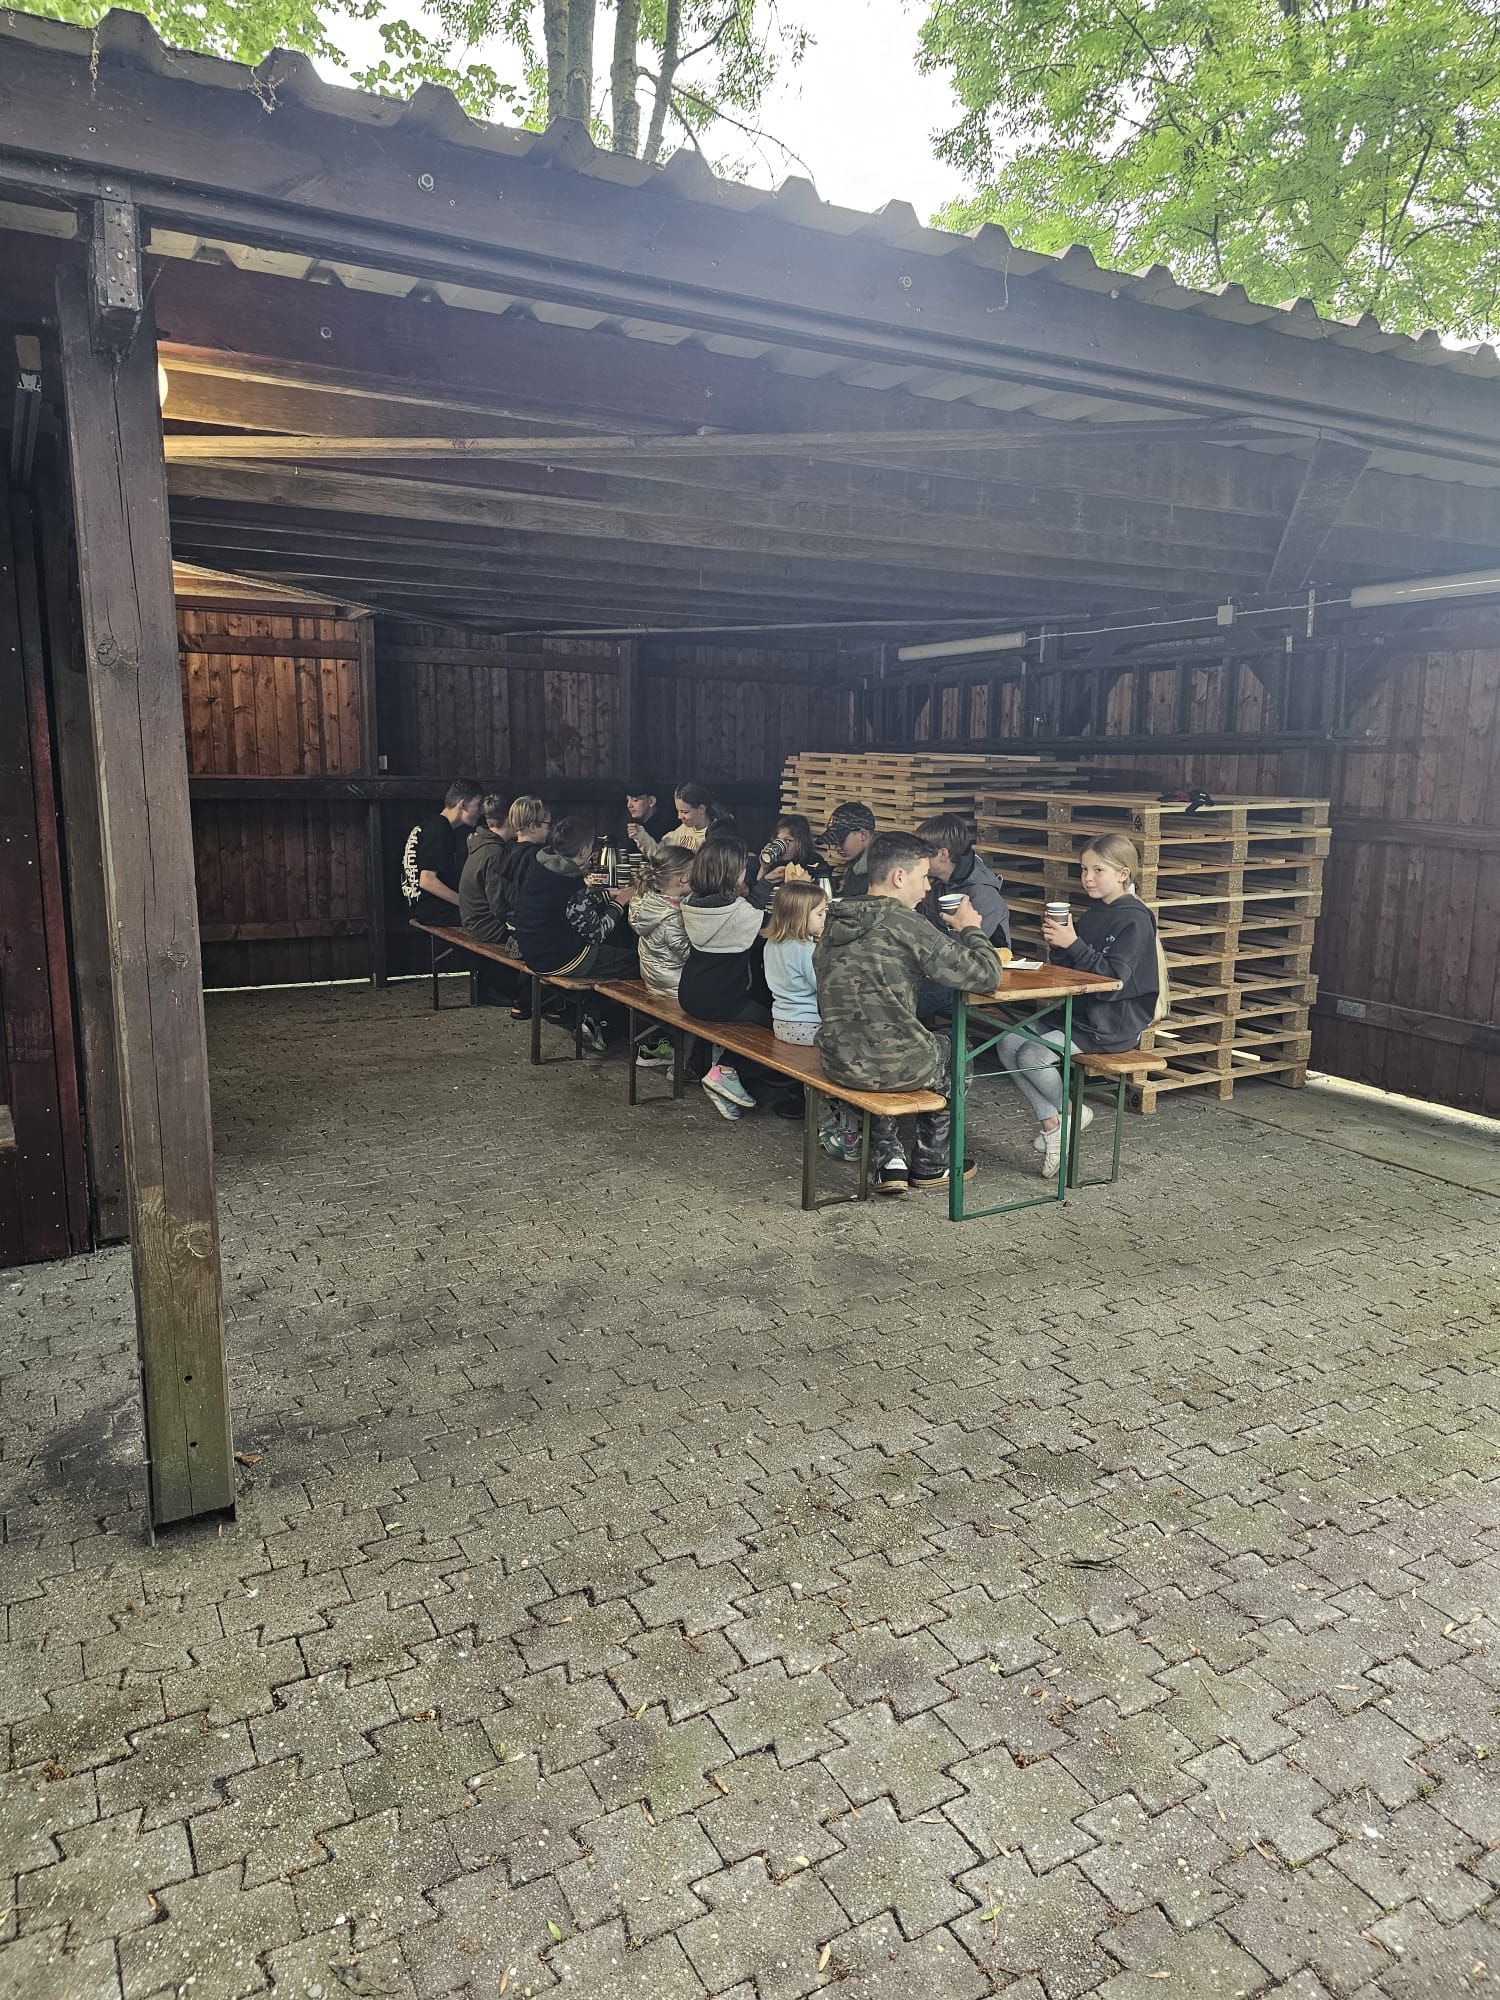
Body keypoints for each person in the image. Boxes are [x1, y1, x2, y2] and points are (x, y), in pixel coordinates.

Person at [816, 831, 1002, 1195]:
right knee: (956, 1049)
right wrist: (971, 928)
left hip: (837, 1059)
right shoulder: (906, 924)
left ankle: (889, 1159)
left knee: (884, 1040)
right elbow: (987, 975)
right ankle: (932, 1162)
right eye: (924, 877)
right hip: (891, 1065)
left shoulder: (835, 919)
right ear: (899, 877)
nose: (928, 887)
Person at [998, 832, 1164, 1180]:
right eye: (1084, 870)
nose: (1087, 878)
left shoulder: (1135, 919)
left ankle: (1071, 1114)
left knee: (1032, 1055)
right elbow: (1072, 969)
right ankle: (1054, 1124)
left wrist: (1072, 942)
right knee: (1007, 1042)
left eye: (1097, 870)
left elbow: (1114, 978)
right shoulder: (1094, 914)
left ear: (1123, 874)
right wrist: (1059, 945)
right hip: (1081, 1011)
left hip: (1112, 1021)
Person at [512, 817, 638, 1036]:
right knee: (638, 964)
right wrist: (620, 901)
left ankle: (590, 1017)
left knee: (614, 948)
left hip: (531, 950)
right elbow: (597, 934)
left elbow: (572, 906)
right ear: (585, 850)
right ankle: (601, 1023)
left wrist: (607, 895)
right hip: (560, 959)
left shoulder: (543, 863)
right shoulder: (569, 883)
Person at [680, 832, 771, 1120]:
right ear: (733, 873)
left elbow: (744, 911)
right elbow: (768, 924)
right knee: (776, 1026)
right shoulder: (737, 911)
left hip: (690, 993)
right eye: (743, 866)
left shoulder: (694, 902)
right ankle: (726, 1070)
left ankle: (726, 1086)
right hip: (723, 1001)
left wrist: (765, 881)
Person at [763, 880, 856, 1155]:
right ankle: (836, 1123)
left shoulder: (772, 944)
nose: (825, 918)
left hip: (782, 1022)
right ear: (800, 916)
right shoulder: (806, 951)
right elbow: (825, 988)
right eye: (820, 913)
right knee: (849, 1046)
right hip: (808, 1026)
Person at [628, 843, 694, 1067]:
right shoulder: (671, 917)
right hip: (673, 984)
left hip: (653, 976)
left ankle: (659, 1048)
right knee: (711, 994)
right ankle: (687, 1064)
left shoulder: (646, 901)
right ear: (683, 879)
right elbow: (687, 955)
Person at [457, 793, 525, 1008]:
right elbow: (499, 904)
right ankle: (501, 989)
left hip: (472, 918)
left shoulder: (481, 841)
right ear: (511, 819)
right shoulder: (495, 852)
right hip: (485, 925)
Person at [916, 814, 1010, 945]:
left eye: (922, 853)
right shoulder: (937, 883)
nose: (917, 858)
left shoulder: (982, 894)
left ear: (943, 855)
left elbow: (964, 948)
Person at [401, 779, 483, 927]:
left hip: (420, 907)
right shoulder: (439, 829)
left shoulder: (430, 825)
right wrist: (466, 903)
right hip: (433, 910)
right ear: (463, 804)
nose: (480, 811)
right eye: (478, 805)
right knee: (488, 920)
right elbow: (427, 881)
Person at [749, 812, 835, 905]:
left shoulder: (814, 863)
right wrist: (764, 868)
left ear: (801, 842)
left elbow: (823, 898)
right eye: (779, 840)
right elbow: (752, 899)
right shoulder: (768, 862)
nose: (783, 845)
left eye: (788, 840)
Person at [817, 801, 877, 896]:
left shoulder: (879, 869)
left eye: (841, 841)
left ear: (863, 835)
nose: (837, 848)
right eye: (835, 843)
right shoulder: (859, 858)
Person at [667, 781, 735, 852]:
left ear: (701, 809)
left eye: (685, 812)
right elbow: (665, 843)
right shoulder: (685, 828)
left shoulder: (716, 836)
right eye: (678, 811)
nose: (679, 816)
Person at [623, 781, 678, 861]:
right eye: (628, 799)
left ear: (651, 801)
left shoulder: (667, 826)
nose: (629, 805)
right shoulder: (629, 821)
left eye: (635, 800)